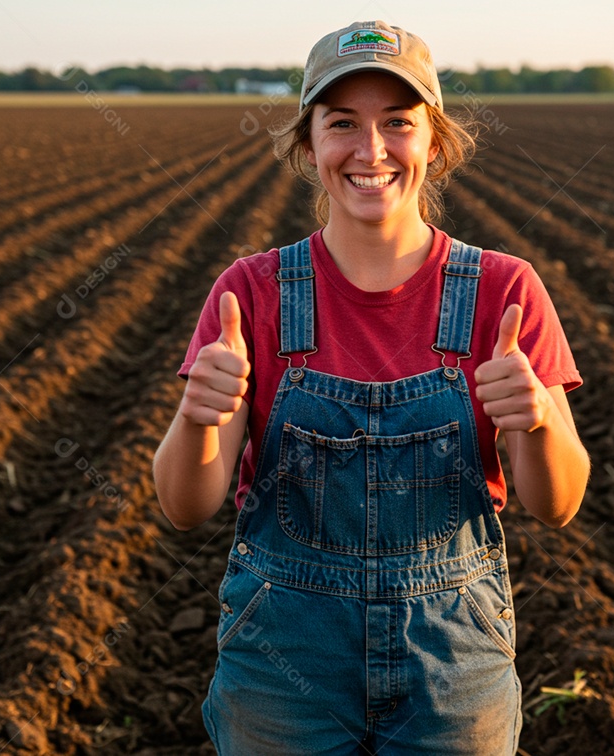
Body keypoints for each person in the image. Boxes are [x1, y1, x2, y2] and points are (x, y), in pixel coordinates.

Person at [153, 19, 589, 754]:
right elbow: (184, 506)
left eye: (398, 123)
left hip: (452, 666)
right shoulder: (251, 293)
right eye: (342, 124)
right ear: (309, 143)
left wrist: (539, 419)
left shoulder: (504, 290)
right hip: (283, 668)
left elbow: (558, 504)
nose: (371, 150)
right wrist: (197, 419)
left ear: (435, 141)